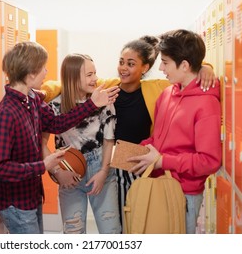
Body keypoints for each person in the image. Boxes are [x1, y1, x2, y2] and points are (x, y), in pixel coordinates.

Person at [41, 36, 216, 231]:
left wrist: (204, 67)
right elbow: (65, 82)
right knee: (118, 222)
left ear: (145, 68)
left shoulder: (159, 88)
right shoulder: (108, 89)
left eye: (131, 64)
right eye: (121, 62)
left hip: (140, 162)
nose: (123, 67)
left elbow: (189, 75)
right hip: (117, 160)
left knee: (134, 221)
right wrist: (41, 92)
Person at [0, 41, 120, 234]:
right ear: (31, 73)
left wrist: (91, 104)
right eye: (43, 68)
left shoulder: (32, 99)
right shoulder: (6, 113)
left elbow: (57, 124)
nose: (46, 73)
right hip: (16, 204)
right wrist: (45, 166)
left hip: (31, 196)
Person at [127, 29, 222, 234]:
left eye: (165, 62)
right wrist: (138, 152)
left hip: (184, 194)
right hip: (157, 184)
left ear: (185, 65)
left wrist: (162, 161)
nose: (161, 68)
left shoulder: (207, 104)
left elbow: (209, 161)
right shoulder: (167, 94)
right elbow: (158, 138)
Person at [42, 53, 121, 234]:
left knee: (111, 232)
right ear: (72, 76)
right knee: (73, 233)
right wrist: (57, 172)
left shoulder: (103, 100)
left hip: (101, 166)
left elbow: (109, 140)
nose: (95, 79)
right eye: (89, 75)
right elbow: (41, 143)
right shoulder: (54, 105)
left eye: (95, 73)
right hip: (68, 170)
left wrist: (103, 171)